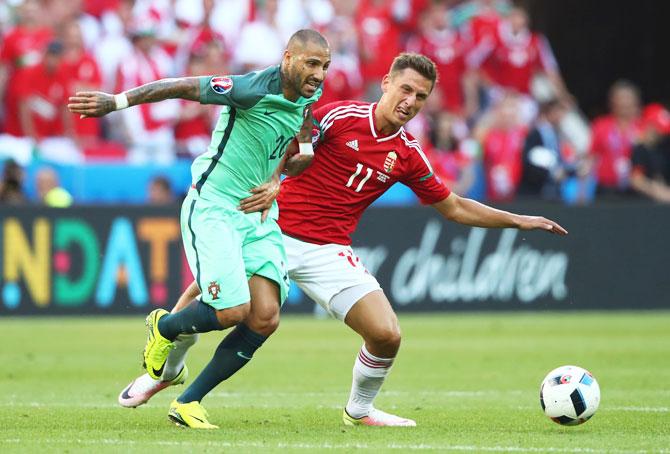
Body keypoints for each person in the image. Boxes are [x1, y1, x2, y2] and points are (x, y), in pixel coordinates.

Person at [118, 53, 567, 427]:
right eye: (405, 89)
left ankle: (360, 408)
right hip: (266, 226)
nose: (410, 101)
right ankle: (164, 372)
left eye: (421, 97)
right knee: (216, 300)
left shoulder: (407, 154)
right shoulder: (340, 116)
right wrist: (274, 182)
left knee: (387, 334)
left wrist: (519, 220)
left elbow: (453, 206)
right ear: (386, 82)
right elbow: (289, 146)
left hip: (327, 249)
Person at [68, 29, 331, 429]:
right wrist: (116, 101)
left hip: (258, 215)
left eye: (325, 66)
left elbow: (303, 147)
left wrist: (278, 181)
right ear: (288, 57)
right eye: (312, 63)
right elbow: (180, 86)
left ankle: (188, 401)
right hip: (214, 206)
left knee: (264, 317)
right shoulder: (248, 88)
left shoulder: (309, 97)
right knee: (231, 311)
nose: (319, 74)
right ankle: (164, 326)